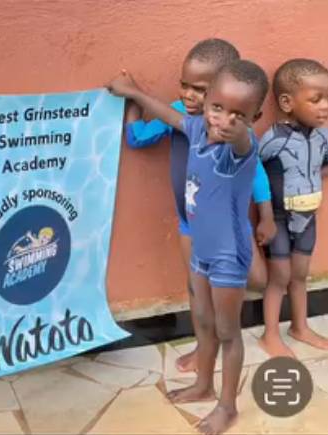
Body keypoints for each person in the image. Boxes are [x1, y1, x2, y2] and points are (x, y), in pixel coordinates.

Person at [108, 59, 269, 435]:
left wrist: (239, 133)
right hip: (200, 249)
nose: (224, 120)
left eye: (239, 115)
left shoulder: (240, 149)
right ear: (207, 100)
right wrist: (133, 93)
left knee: (227, 332)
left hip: (229, 256)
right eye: (218, 107)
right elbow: (168, 113)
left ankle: (227, 407)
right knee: (202, 319)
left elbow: (242, 141)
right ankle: (203, 384)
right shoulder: (196, 128)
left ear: (255, 118)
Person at [124, 39, 276, 373]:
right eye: (185, 86)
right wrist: (132, 98)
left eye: (200, 90)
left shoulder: (237, 134)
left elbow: (256, 172)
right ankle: (203, 347)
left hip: (229, 226)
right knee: (197, 290)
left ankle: (228, 327)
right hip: (190, 225)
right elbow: (137, 137)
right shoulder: (179, 115)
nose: (189, 96)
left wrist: (265, 214)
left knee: (259, 280)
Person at [258, 58, 328, 357]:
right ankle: (270, 334)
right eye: (316, 99)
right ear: (287, 102)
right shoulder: (274, 139)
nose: (325, 106)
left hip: (308, 217)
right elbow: (253, 170)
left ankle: (300, 326)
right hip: (277, 218)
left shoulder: (323, 135)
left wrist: (311, 179)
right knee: (279, 277)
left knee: (300, 275)